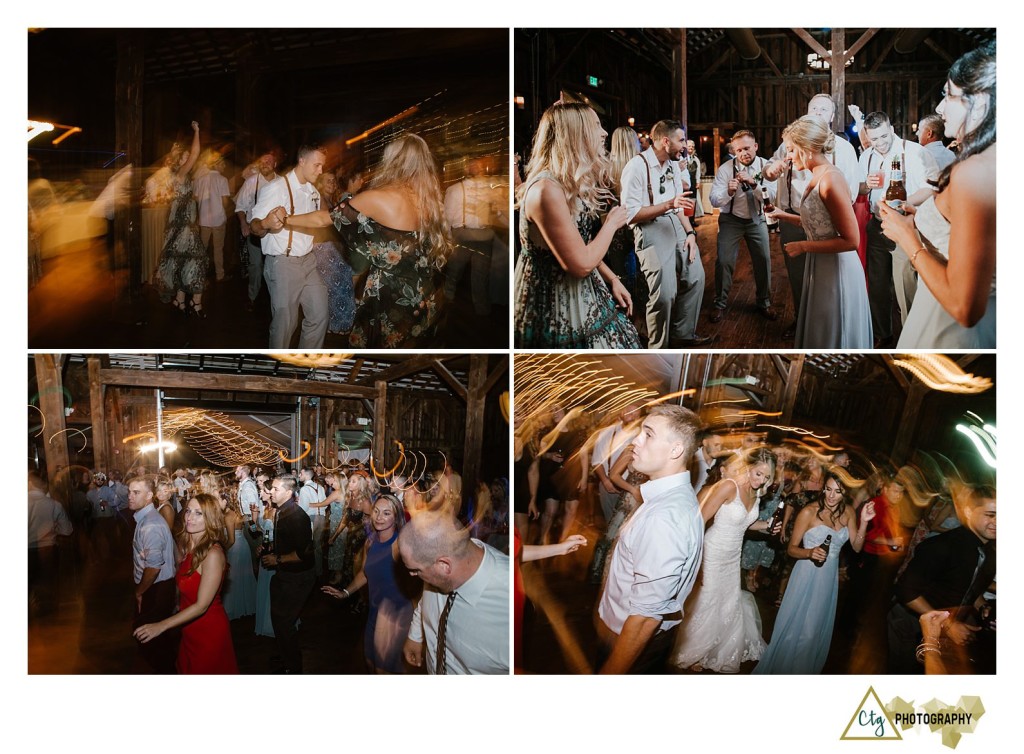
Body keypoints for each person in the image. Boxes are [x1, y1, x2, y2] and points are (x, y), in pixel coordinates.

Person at [280, 134, 452, 347]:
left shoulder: (378, 197)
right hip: (426, 294)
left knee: (376, 357)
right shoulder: (431, 201)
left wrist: (283, 220)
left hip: (392, 298)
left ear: (392, 161)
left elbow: (323, 218)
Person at [879, 41, 996, 348]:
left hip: (949, 326)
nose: (940, 108)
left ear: (980, 102)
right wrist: (925, 217)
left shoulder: (975, 171)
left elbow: (964, 307)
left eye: (949, 95)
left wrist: (908, 238)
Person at [513, 102, 641, 348]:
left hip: (580, 293)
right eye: (595, 126)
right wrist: (612, 223)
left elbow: (577, 245)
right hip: (552, 303)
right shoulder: (545, 190)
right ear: (574, 133)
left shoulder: (567, 181)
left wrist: (612, 278)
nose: (604, 133)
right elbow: (581, 264)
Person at [596, 404, 704, 674]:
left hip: (630, 645)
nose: (636, 440)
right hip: (622, 633)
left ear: (675, 450)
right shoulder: (665, 498)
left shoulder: (665, 517)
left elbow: (645, 618)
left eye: (648, 434)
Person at [767, 116, 872, 348]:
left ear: (808, 148)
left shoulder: (830, 180)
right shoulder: (817, 174)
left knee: (834, 328)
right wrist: (783, 215)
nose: (789, 156)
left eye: (792, 150)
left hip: (837, 267)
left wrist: (804, 246)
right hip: (822, 263)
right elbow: (819, 224)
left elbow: (851, 240)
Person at [754, 471, 873, 674]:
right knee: (797, 628)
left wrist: (864, 522)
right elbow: (792, 548)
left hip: (828, 579)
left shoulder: (850, 512)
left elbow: (856, 547)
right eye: (827, 489)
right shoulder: (809, 512)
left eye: (837, 491)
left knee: (813, 630)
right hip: (806, 574)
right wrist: (809, 552)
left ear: (845, 492)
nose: (831, 496)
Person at [673, 449, 778, 673]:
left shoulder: (756, 493)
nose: (761, 481)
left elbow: (745, 524)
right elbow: (699, 520)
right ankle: (694, 652)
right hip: (712, 552)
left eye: (767, 477)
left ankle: (713, 649)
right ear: (749, 466)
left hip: (733, 556)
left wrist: (767, 525)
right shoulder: (728, 486)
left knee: (727, 601)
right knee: (708, 599)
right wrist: (695, 558)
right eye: (758, 473)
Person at [887, 484, 995, 674]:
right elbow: (906, 590)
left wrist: (983, 607)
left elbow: (970, 586)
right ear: (969, 512)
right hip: (911, 625)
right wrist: (949, 625)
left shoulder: (990, 551)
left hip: (945, 630)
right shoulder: (942, 546)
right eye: (990, 514)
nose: (997, 522)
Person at [620, 119, 709, 347]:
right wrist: (668, 205)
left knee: (696, 277)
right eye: (681, 140)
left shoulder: (671, 165)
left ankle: (683, 334)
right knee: (665, 294)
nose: (685, 145)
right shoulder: (636, 167)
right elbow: (630, 215)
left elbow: (678, 206)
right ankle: (658, 345)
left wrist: (690, 234)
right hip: (649, 227)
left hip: (677, 225)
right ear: (666, 141)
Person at [858, 111, 939, 345]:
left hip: (905, 225)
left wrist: (907, 202)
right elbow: (861, 189)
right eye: (874, 139)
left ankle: (912, 340)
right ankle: (883, 336)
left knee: (906, 287)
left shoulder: (916, 152)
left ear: (891, 128)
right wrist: (865, 185)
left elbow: (931, 189)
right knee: (877, 286)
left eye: (884, 136)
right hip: (877, 225)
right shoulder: (866, 157)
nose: (880, 143)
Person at [133, 494, 239, 674]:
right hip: (189, 628)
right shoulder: (188, 545)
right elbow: (175, 563)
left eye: (199, 513)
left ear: (211, 519)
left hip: (208, 630)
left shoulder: (212, 554)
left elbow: (201, 606)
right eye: (188, 510)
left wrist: (161, 625)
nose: (189, 517)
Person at [399, 510, 509, 674]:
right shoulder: (443, 555)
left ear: (444, 566)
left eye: (415, 570)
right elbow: (426, 600)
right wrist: (415, 635)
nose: (412, 575)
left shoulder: (506, 603)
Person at [323, 494, 420, 673]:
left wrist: (417, 624)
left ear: (396, 517)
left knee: (383, 670)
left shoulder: (400, 545)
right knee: (369, 662)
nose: (379, 517)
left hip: (395, 615)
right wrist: (345, 592)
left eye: (386, 513)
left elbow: (418, 580)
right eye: (376, 511)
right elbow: (364, 574)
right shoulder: (371, 541)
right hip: (374, 612)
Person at [250, 145, 329, 349]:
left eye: (322, 166)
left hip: (308, 261)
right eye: (317, 165)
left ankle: (306, 367)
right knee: (285, 324)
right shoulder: (275, 188)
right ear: (302, 161)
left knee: (320, 315)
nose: (320, 171)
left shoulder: (313, 192)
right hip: (283, 263)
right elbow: (254, 227)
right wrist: (266, 223)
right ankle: (276, 371)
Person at [708, 130, 777, 323]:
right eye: (738, 150)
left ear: (755, 146)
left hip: (757, 219)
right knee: (724, 261)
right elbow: (713, 200)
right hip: (731, 219)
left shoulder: (766, 166)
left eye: (746, 148)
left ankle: (764, 302)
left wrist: (754, 184)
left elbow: (771, 196)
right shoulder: (725, 169)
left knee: (763, 259)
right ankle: (720, 303)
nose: (743, 153)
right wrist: (728, 192)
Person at [261, 475, 315, 673]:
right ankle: (285, 657)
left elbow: (305, 555)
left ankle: (293, 667)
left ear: (288, 492)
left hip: (298, 578)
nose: (270, 492)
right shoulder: (281, 511)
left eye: (275, 489)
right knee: (279, 620)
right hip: (284, 575)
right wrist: (269, 550)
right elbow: (286, 542)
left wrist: (278, 559)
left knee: (285, 623)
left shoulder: (297, 516)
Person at [155, 121, 210, 317]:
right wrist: (197, 131)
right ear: (179, 162)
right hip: (183, 228)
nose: (189, 159)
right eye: (185, 158)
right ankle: (196, 304)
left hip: (183, 227)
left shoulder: (182, 176)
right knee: (196, 261)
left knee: (182, 262)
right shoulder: (179, 174)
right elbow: (195, 153)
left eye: (188, 158)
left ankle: (180, 300)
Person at [128, 476, 178, 673]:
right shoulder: (145, 519)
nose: (130, 496)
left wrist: (139, 591)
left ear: (149, 496)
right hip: (155, 587)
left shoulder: (151, 525)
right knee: (155, 642)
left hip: (156, 589)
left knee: (151, 643)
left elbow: (154, 567)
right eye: (129, 492)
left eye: (136, 492)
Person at [311, 172, 356, 335]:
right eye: (327, 180)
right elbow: (328, 223)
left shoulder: (333, 200)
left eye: (333, 180)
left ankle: (340, 323)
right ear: (320, 183)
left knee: (342, 280)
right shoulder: (319, 199)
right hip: (322, 247)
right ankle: (337, 325)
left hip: (332, 246)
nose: (332, 183)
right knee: (336, 283)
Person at [234, 151, 279, 310]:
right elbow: (240, 206)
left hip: (275, 233)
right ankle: (252, 296)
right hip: (255, 231)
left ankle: (275, 298)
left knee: (274, 265)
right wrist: (243, 224)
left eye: (269, 161)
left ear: (275, 164)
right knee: (256, 265)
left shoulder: (282, 182)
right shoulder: (251, 182)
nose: (265, 163)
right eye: (262, 161)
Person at [193, 152, 232, 282]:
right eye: (222, 164)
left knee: (202, 248)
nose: (224, 166)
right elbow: (225, 201)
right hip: (218, 220)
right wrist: (223, 210)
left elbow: (197, 199)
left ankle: (199, 274)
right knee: (218, 249)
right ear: (216, 165)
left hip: (204, 220)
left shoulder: (200, 179)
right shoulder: (222, 180)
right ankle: (219, 275)